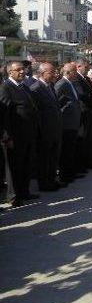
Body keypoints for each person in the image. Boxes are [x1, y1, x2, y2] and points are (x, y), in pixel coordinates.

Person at [0, 61, 39, 206]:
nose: (22, 72)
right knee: (14, 166)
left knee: (26, 164)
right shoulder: (6, 88)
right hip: (15, 135)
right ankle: (13, 196)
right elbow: (4, 115)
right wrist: (7, 135)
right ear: (10, 72)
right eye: (18, 70)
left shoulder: (23, 87)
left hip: (28, 133)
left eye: (23, 69)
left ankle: (24, 192)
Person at [30, 62, 63, 192]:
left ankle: (51, 180)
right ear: (42, 73)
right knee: (45, 158)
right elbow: (36, 113)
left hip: (54, 129)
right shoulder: (35, 89)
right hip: (45, 131)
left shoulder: (50, 86)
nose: (55, 74)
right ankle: (44, 183)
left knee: (53, 157)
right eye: (51, 72)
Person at [55, 62, 82, 184]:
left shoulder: (71, 83)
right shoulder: (62, 84)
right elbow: (55, 101)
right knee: (66, 150)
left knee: (71, 149)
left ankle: (71, 173)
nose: (76, 73)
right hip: (66, 123)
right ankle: (65, 175)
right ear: (68, 72)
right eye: (74, 71)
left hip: (73, 122)